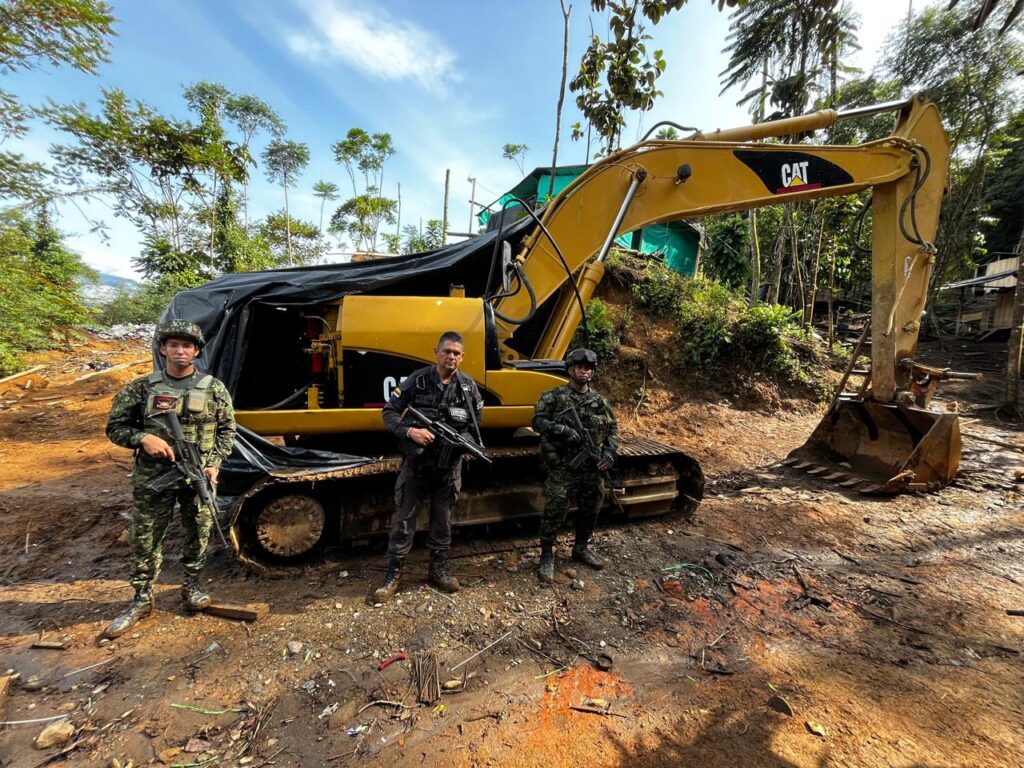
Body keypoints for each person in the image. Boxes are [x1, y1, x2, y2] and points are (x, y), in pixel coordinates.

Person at [102, 320, 236, 638]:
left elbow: (227, 430)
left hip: (197, 474)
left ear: (197, 351)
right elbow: (115, 427)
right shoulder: (142, 387)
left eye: (187, 346)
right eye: (174, 345)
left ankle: (192, 588)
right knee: (147, 538)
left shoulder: (213, 388)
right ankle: (142, 599)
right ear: (163, 349)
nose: (180, 350)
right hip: (154, 476)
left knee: (199, 534)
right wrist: (142, 439)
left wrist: (214, 463)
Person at [372, 331, 484, 604]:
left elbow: (475, 425)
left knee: (442, 522)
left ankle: (438, 568)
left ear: (462, 356)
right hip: (417, 467)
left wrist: (460, 443)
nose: (451, 357)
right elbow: (389, 412)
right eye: (447, 351)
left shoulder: (468, 388)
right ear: (436, 352)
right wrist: (411, 432)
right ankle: (394, 573)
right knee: (404, 520)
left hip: (448, 470)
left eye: (456, 353)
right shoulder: (417, 381)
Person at [532, 348, 618, 583]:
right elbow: (537, 421)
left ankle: (581, 548)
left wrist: (609, 453)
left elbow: (612, 429)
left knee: (591, 509)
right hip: (562, 467)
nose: (585, 371)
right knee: (554, 512)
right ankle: (547, 554)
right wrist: (562, 429)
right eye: (580, 367)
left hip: (592, 469)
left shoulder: (600, 402)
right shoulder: (554, 396)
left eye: (588, 368)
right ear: (570, 369)